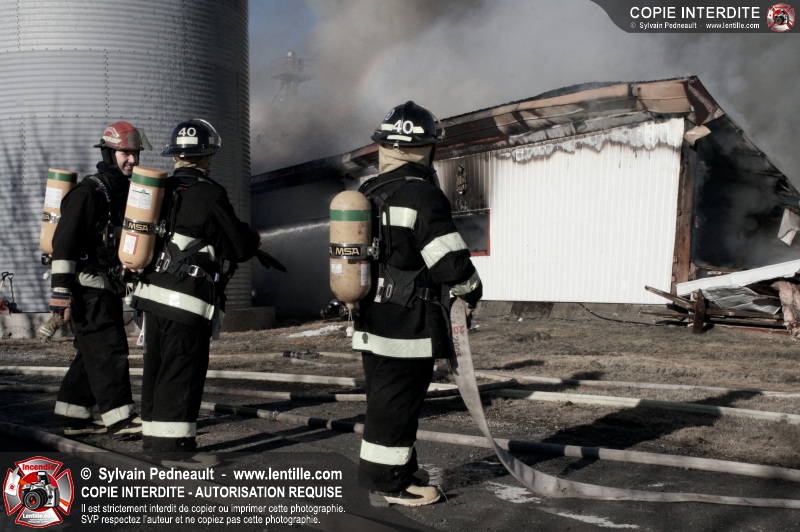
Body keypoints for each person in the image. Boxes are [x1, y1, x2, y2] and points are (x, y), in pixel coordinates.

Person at [353, 101, 483, 507]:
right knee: (397, 403)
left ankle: (401, 468)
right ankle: (387, 484)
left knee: (387, 399)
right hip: (407, 322)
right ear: (427, 148)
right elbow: (449, 261)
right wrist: (472, 289)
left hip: (372, 317)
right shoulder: (422, 195)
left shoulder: (368, 192)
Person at [131, 119, 261, 466]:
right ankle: (175, 451)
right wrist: (252, 237)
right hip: (185, 299)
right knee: (182, 371)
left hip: (152, 296)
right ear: (207, 156)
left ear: (175, 155)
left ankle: (154, 442)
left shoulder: (159, 190)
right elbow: (237, 246)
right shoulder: (210, 193)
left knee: (157, 368)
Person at [51, 121, 150, 437]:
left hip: (107, 287)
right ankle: (120, 418)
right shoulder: (88, 192)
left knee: (92, 353)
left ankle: (72, 414)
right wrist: (60, 291)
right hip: (87, 289)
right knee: (109, 350)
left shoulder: (125, 192)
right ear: (109, 153)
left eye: (135, 153)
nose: (132, 159)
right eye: (125, 153)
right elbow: (64, 243)